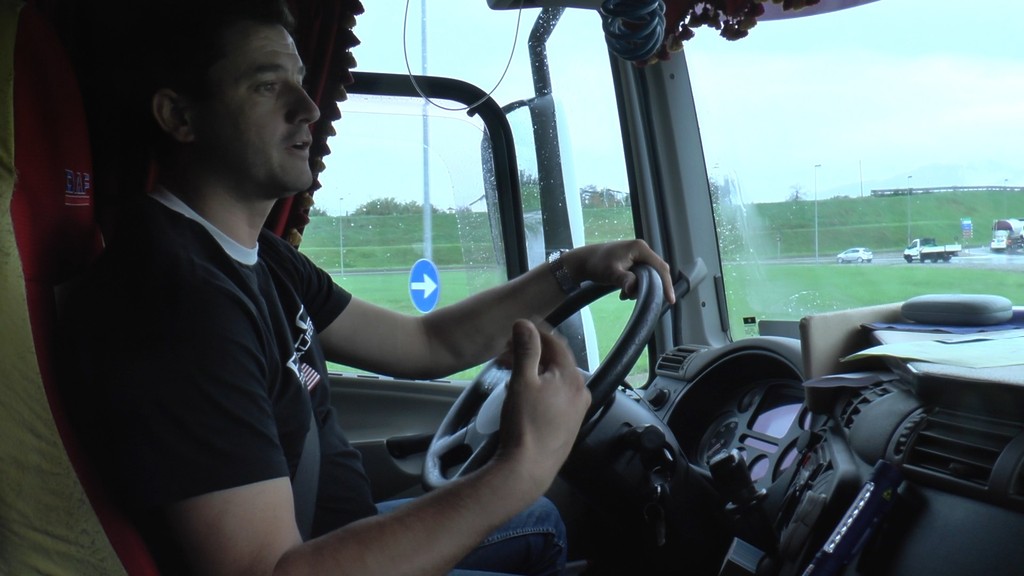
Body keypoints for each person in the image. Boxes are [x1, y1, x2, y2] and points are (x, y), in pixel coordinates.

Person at [62, 1, 676, 575]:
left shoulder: (260, 258)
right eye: (267, 85)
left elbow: (427, 342)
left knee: (539, 520)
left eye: (301, 82)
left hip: (336, 535)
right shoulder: (177, 300)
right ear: (179, 116)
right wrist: (521, 467)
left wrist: (572, 269)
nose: (309, 108)